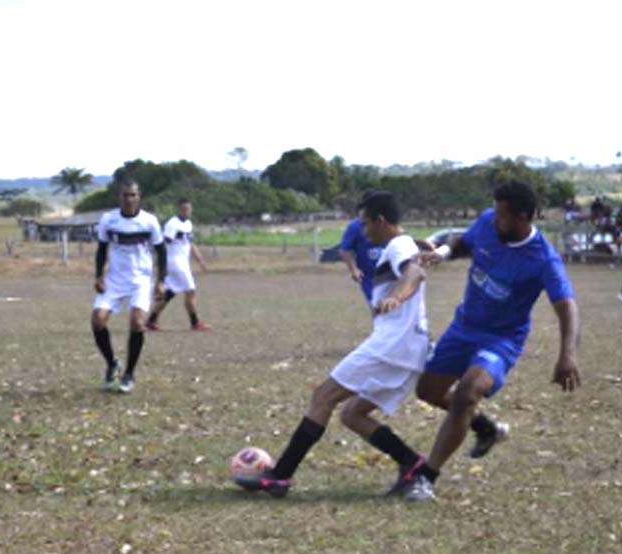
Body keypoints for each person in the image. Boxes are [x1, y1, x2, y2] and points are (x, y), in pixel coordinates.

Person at [235, 191, 431, 498]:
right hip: (409, 348)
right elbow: (411, 259)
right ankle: (411, 463)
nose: (364, 233)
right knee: (352, 415)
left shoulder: (399, 245)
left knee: (323, 396)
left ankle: (281, 476)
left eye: (366, 225)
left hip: (391, 345)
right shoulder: (401, 244)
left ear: (381, 221)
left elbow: (414, 272)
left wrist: (397, 296)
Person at [402, 181, 581, 502]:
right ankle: (485, 429)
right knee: (428, 391)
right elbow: (465, 244)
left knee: (468, 392)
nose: (494, 218)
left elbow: (567, 306)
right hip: (463, 327)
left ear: (523, 218)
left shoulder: (543, 260)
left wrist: (567, 355)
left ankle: (426, 478)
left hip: (501, 340)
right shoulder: (488, 222)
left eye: (502, 215)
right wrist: (441, 253)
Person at [92, 178, 166, 393]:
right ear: (120, 197)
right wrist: (98, 275)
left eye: (133, 195)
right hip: (115, 279)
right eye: (125, 195)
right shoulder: (108, 220)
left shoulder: (149, 222)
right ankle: (112, 362)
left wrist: (161, 281)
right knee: (98, 321)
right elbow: (101, 249)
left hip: (140, 280)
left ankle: (129, 373)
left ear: (139, 196)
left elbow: (161, 252)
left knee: (137, 322)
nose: (129, 199)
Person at [145, 198, 210, 331]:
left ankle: (151, 320)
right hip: (174, 263)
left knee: (170, 293)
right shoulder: (172, 224)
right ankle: (195, 322)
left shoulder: (188, 224)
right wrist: (160, 264)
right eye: (185, 209)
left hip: (182, 263)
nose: (187, 212)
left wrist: (200, 260)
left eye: (189, 209)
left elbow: (190, 244)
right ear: (179, 209)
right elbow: (163, 245)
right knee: (190, 290)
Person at [338, 206, 384, 304]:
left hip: (388, 273)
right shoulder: (355, 227)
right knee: (376, 305)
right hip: (368, 275)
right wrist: (354, 269)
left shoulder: (384, 223)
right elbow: (344, 249)